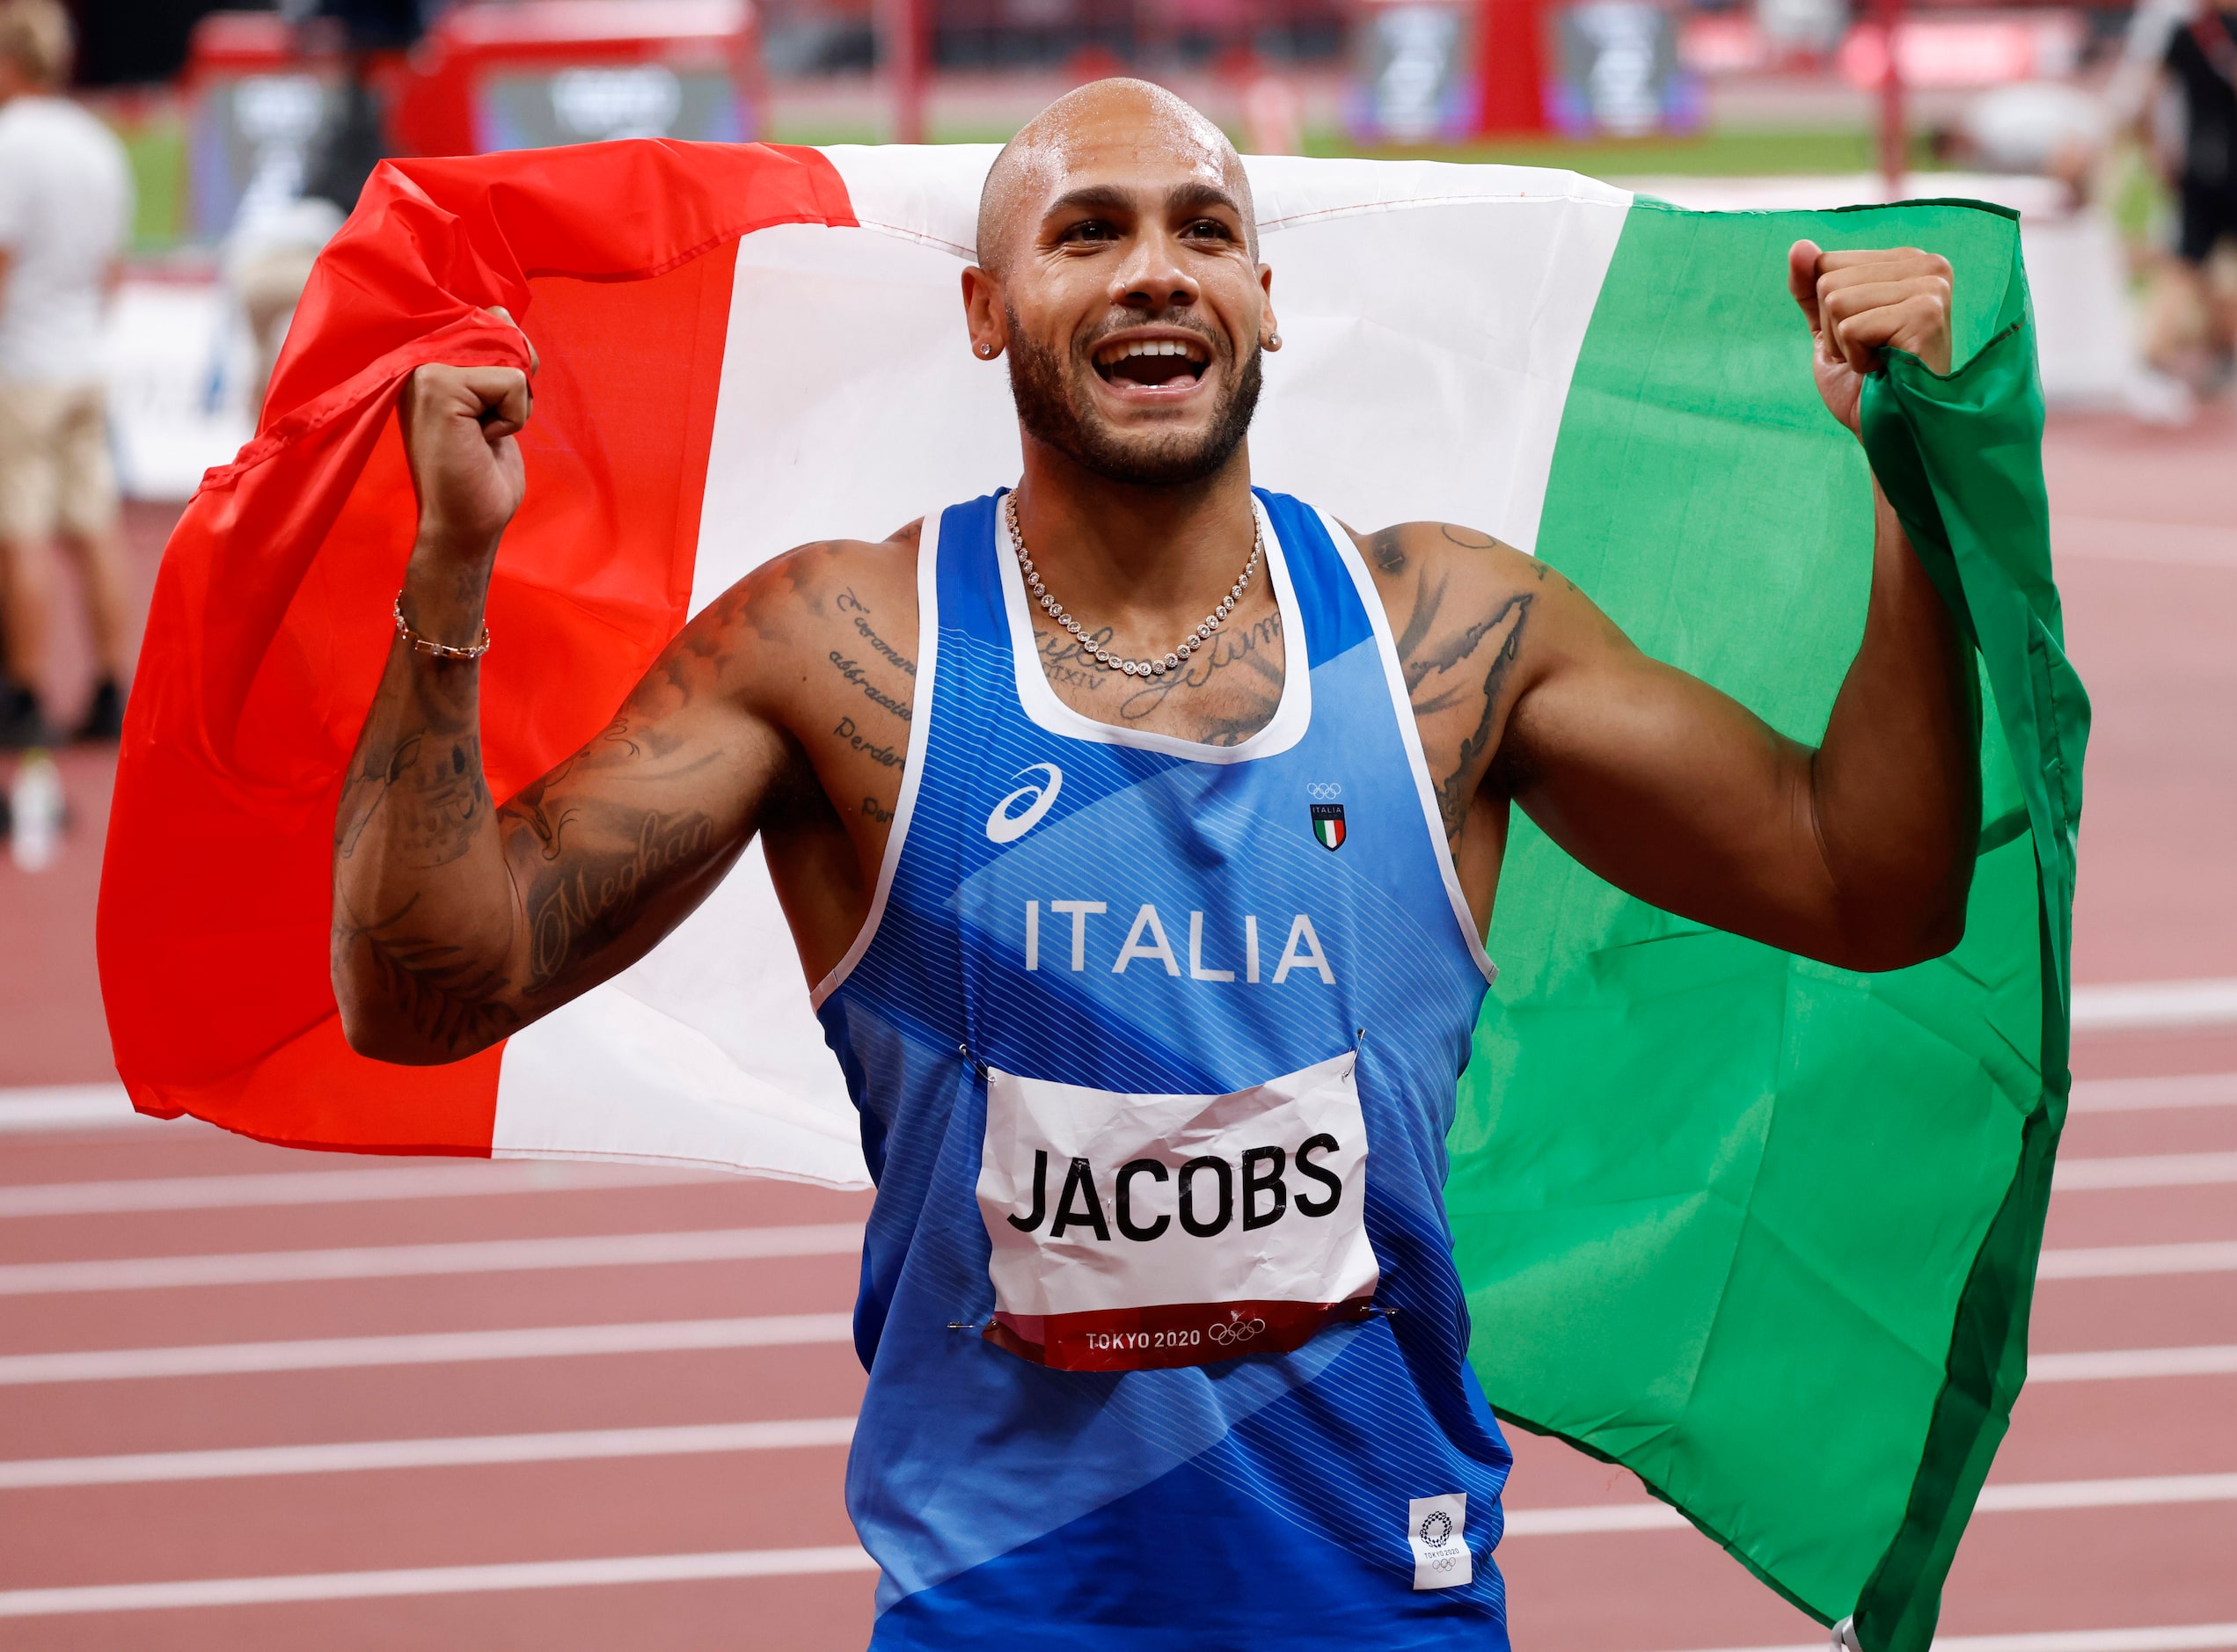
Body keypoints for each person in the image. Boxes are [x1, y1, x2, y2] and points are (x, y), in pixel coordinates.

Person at [331, 80, 1977, 1643]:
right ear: (985, 310)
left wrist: (1908, 486)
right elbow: (425, 991)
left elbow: (1863, 881)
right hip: (1003, 1612)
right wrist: (453, 568)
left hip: (1381, 1602)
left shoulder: (1447, 642)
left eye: (1199, 231)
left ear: (1262, 299)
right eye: (1084, 232)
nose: (1150, 273)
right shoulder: (838, 649)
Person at [0, 0, 134, 747]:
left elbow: (2, 260)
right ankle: (111, 683)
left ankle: (22, 692)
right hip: (85, 358)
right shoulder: (98, 142)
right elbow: (113, 269)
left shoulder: (10, 142)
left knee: (17, 532)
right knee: (93, 529)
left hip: (22, 362)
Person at [2140, 0, 2237, 389]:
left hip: (2198, 171)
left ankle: (2153, 352)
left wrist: (2161, 156)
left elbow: (2148, 102)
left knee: (2186, 264)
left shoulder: (2183, 34)